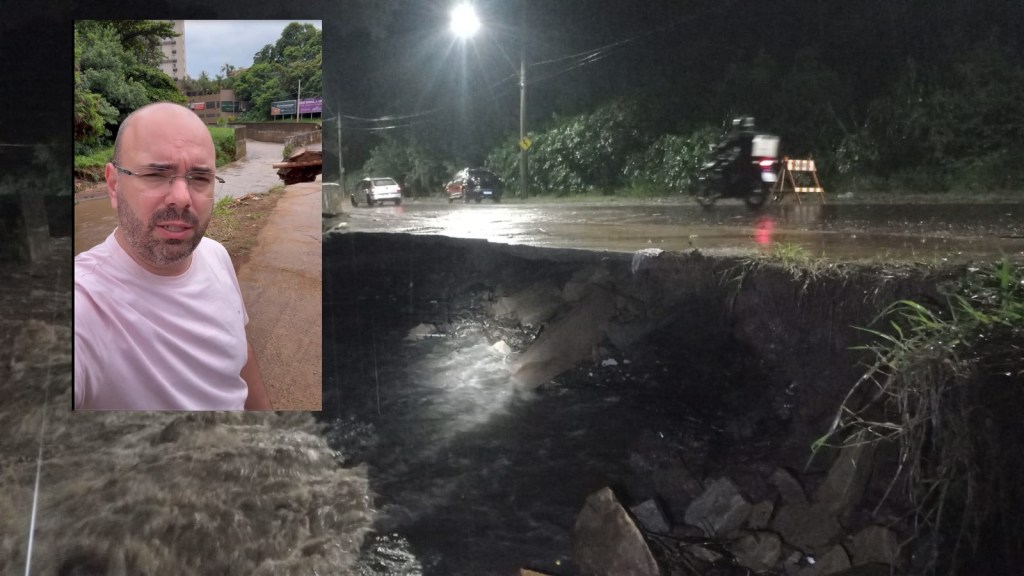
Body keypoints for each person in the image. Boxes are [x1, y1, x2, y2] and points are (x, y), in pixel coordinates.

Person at [74, 102, 273, 411]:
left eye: (200, 178)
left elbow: (240, 359)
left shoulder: (216, 256)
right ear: (113, 186)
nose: (181, 198)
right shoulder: (84, 305)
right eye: (155, 173)